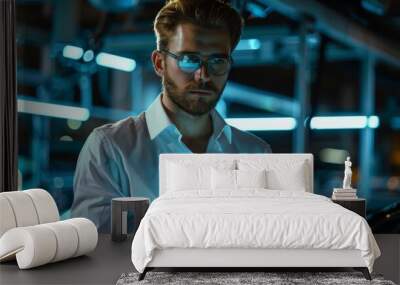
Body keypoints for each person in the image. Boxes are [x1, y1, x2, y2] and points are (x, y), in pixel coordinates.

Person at [71, 0, 272, 232]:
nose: (203, 75)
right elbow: (98, 253)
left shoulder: (255, 153)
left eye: (217, 61)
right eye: (189, 59)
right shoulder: (111, 149)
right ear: (159, 63)